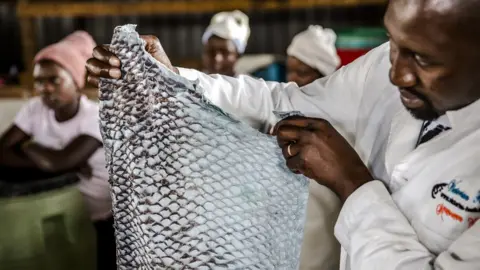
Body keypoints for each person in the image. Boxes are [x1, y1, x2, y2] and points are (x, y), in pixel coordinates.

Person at [86, 0, 480, 269]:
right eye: (393, 44)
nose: (396, 74)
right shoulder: (385, 68)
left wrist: (353, 183)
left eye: (424, 59)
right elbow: (287, 100)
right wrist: (176, 81)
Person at [0, 31, 116, 269]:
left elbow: (58, 162)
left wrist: (29, 147)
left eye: (54, 80)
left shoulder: (95, 116)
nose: (46, 89)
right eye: (40, 81)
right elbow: (2, 150)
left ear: (76, 80)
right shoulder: (35, 110)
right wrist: (49, 160)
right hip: (52, 209)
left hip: (98, 216)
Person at [201, 10, 251, 77]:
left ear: (238, 56)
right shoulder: (190, 83)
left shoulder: (249, 86)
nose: (217, 58)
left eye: (225, 52)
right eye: (211, 51)